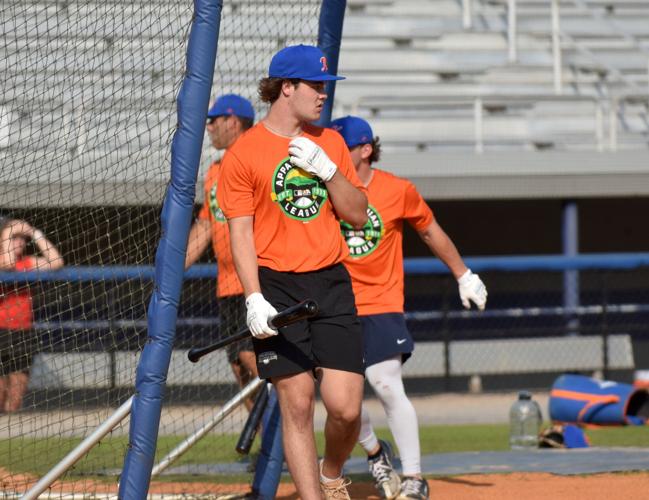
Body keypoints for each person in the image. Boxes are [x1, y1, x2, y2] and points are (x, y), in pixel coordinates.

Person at [217, 45, 369, 500]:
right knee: (297, 403)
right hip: (277, 285)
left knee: (345, 408)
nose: (324, 95)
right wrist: (253, 297)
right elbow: (240, 233)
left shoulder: (332, 142)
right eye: (316, 86)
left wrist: (328, 172)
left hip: (331, 280)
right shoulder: (244, 154)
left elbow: (358, 214)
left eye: (325, 87)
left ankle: (331, 469)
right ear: (287, 88)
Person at [330, 116, 488, 500]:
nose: (335, 156)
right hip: (335, 305)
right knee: (340, 403)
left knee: (385, 383)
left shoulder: (396, 190)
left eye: (343, 148)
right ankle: (374, 451)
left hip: (382, 302)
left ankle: (415, 477)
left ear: (365, 149)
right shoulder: (323, 191)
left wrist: (463, 274)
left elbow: (430, 230)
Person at [184, 94, 283, 500]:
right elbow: (207, 226)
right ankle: (266, 448)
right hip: (226, 287)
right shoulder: (212, 172)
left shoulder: (255, 159)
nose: (208, 126)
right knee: (240, 373)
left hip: (256, 283)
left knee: (251, 360)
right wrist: (175, 266)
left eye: (215, 120)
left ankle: (279, 443)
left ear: (235, 122)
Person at [0, 218, 64, 413]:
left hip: (24, 330)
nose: (20, 242)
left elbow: (56, 262)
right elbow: (8, 263)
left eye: (22, 238)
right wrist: (8, 231)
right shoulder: (4, 260)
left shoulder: (27, 263)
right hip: (1, 330)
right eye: (15, 238)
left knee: (18, 388)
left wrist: (35, 233)